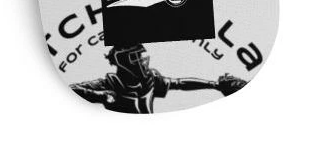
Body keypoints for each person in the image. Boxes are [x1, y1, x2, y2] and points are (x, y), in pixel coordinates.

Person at [71, 43, 245, 114]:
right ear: (122, 61)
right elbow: (73, 89)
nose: (141, 61)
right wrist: (100, 96)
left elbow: (180, 83)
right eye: (135, 57)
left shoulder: (150, 80)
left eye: (140, 56)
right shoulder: (108, 84)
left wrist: (214, 85)